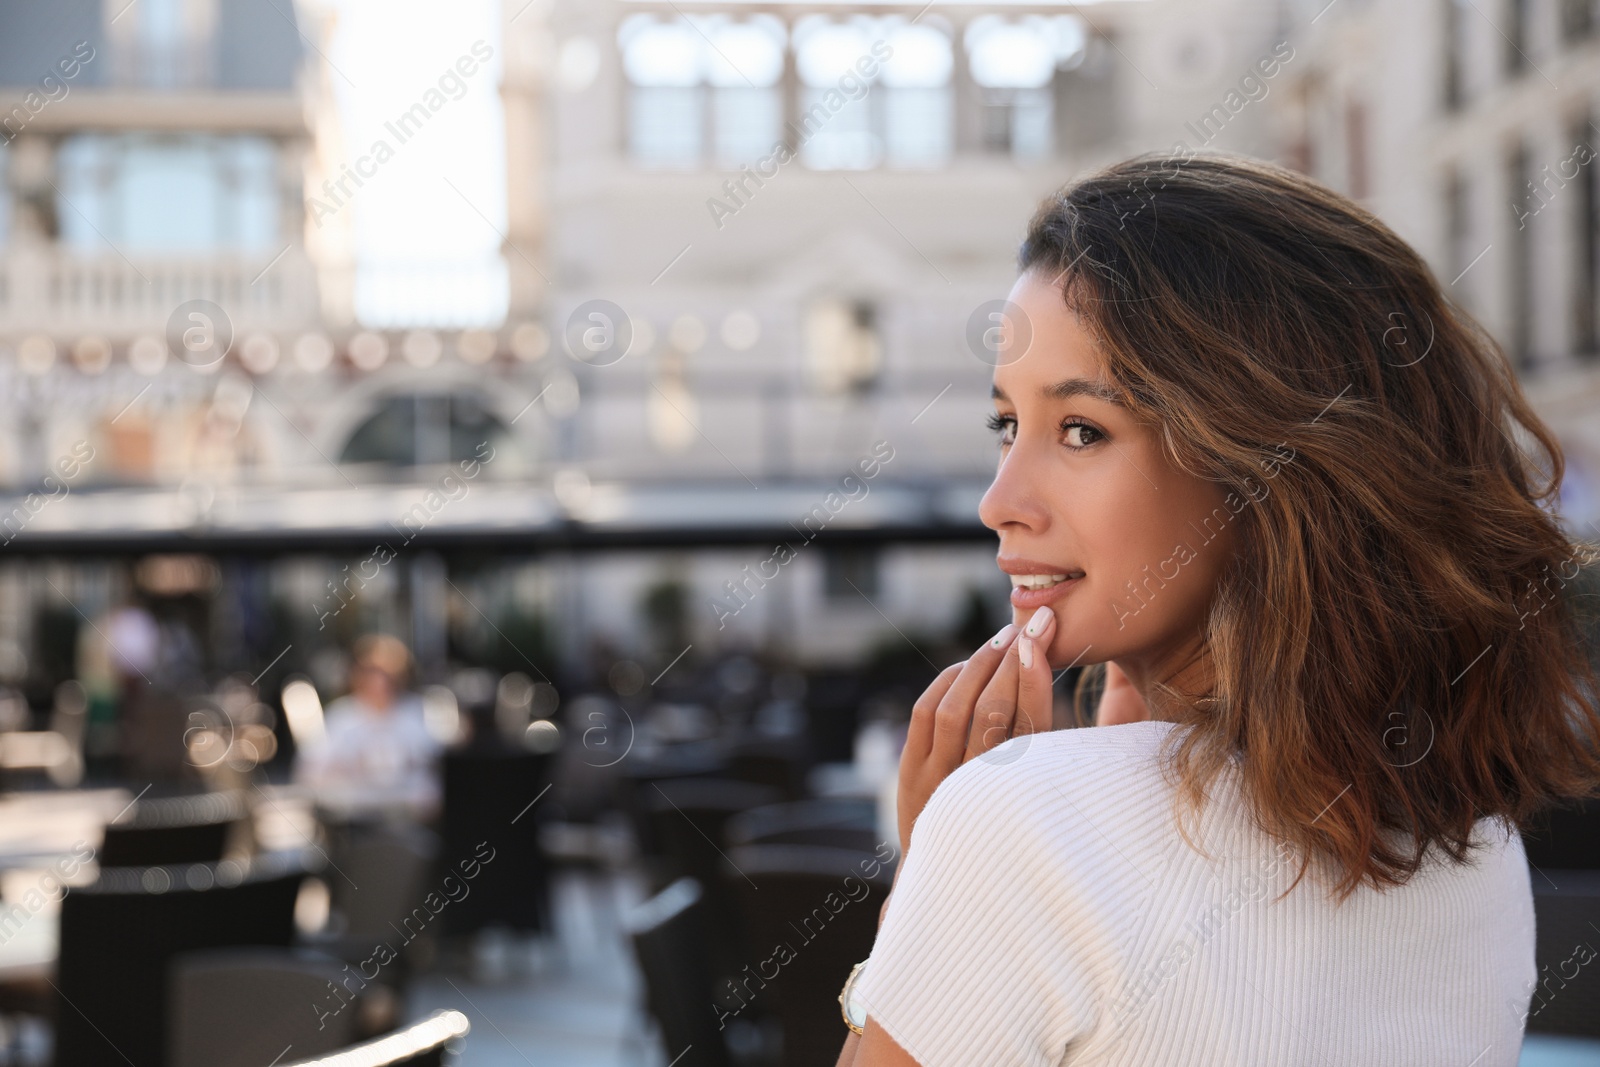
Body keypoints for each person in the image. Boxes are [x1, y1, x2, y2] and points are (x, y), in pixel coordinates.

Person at [835, 154, 1600, 1067]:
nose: (998, 500)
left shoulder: (1016, 822)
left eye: (1082, 430)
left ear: (1265, 471)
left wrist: (924, 896)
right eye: (1007, 425)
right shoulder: (1473, 843)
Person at [293, 633, 441, 819]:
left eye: (388, 674)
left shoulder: (416, 712)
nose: (380, 682)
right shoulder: (341, 716)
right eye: (373, 672)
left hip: (411, 818)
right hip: (353, 820)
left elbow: (436, 764)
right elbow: (309, 772)